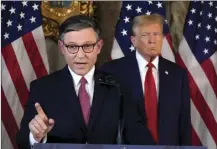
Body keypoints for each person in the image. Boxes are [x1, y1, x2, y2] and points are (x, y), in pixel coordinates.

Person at [16, 15, 125, 149]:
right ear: (62, 48)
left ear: (99, 47)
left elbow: (133, 134)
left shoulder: (118, 86)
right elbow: (22, 141)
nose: (80, 55)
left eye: (87, 46)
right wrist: (36, 136)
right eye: (72, 47)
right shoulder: (42, 88)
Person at [101, 14, 191, 145]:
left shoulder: (177, 74)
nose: (152, 40)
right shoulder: (113, 71)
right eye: (145, 35)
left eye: (156, 34)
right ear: (133, 40)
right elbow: (105, 121)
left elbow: (184, 123)